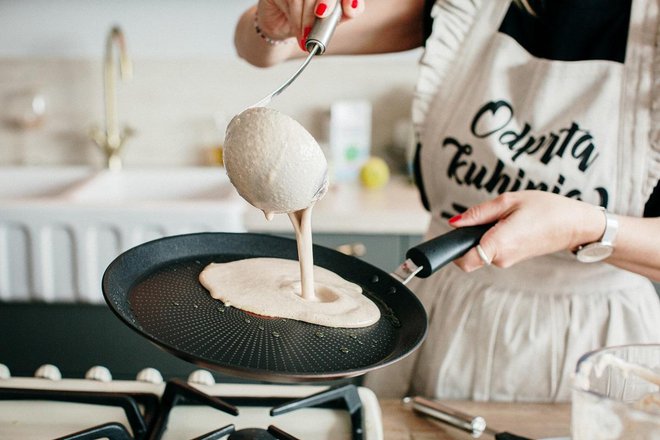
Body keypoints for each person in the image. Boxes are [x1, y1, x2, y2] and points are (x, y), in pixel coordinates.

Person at [234, 0, 660, 401]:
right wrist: (271, 23)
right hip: (447, 310)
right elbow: (261, 48)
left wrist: (587, 227)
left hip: (596, 340)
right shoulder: (467, 5)